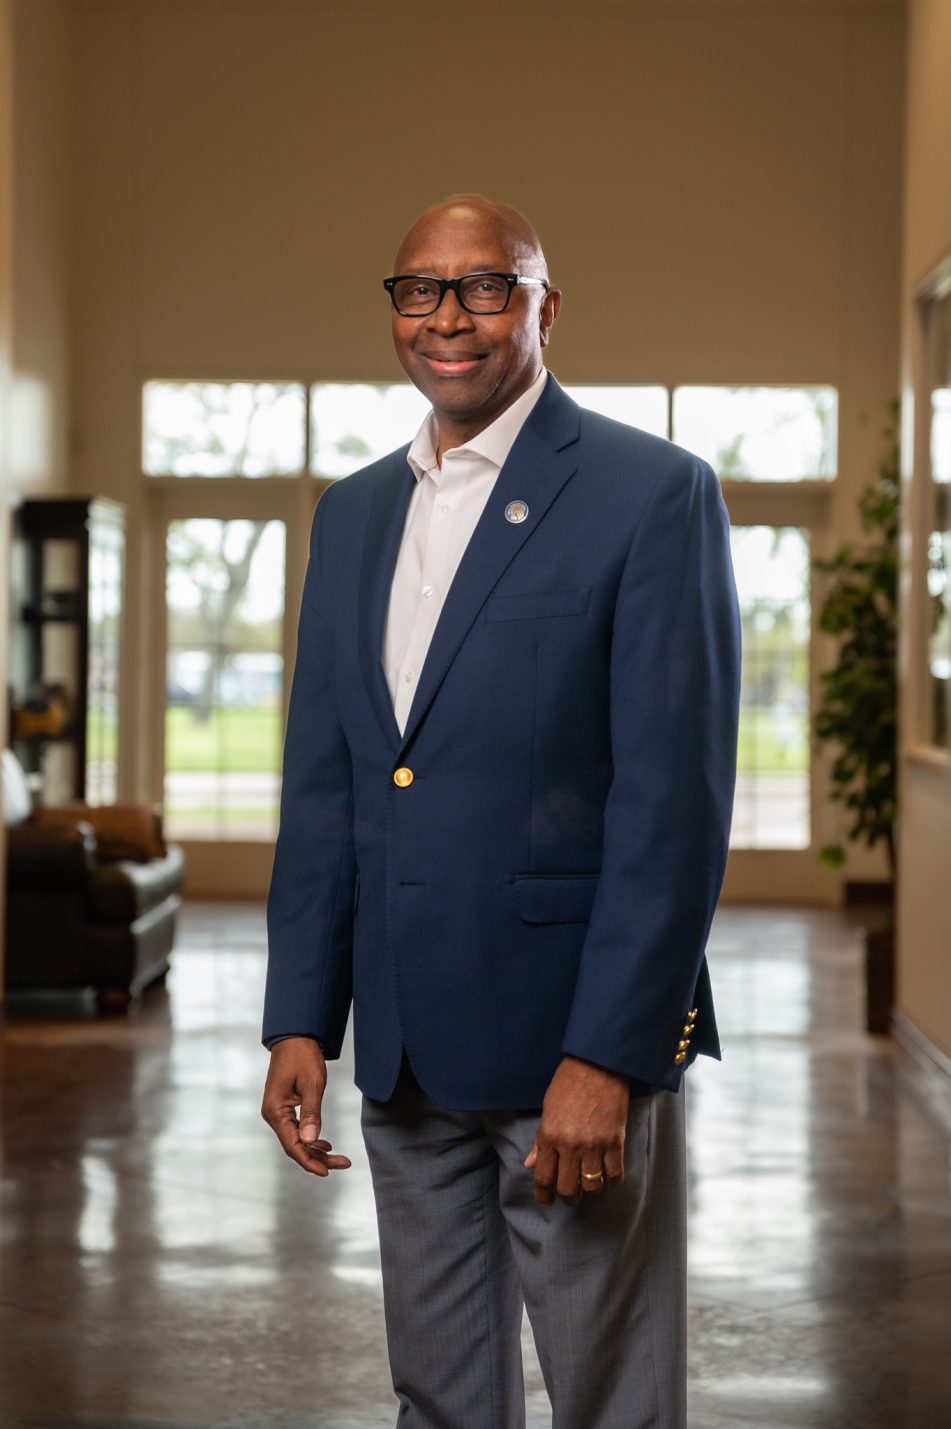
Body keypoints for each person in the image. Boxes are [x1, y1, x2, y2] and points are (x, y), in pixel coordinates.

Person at [261, 194, 741, 1429]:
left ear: (544, 306)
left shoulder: (653, 493)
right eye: (420, 289)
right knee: (442, 1397)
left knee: (609, 1397)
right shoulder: (354, 513)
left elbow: (671, 804)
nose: (450, 317)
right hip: (407, 1052)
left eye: (488, 286)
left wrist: (613, 1054)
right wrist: (302, 1017)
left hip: (565, 1051)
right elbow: (330, 786)